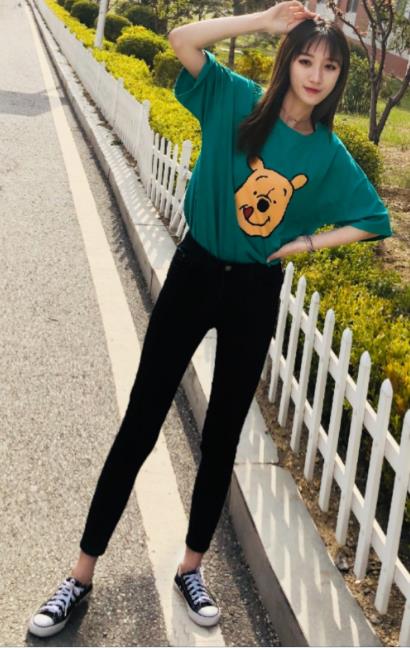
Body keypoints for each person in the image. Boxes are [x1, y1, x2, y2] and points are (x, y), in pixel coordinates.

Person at [28, 0, 392, 638]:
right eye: (306, 60)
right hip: (196, 272)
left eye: (330, 67)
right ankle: (80, 574)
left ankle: (192, 567)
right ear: (288, 59)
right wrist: (261, 21)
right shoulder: (236, 99)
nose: (315, 75)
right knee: (142, 419)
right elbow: (181, 38)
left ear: (339, 79)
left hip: (254, 291)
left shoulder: (328, 154)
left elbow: (375, 219)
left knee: (224, 433)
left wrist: (303, 245)